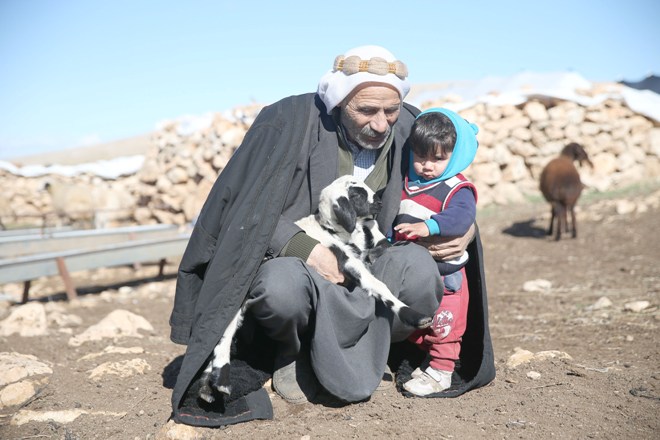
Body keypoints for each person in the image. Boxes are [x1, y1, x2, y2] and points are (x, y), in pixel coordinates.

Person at [169, 45, 494, 427]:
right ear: (339, 102)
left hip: (375, 263)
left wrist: (467, 228)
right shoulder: (289, 122)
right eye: (367, 111)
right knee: (280, 289)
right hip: (304, 264)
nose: (381, 124)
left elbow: (445, 187)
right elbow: (248, 209)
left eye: (389, 110)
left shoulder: (408, 126)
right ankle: (291, 353)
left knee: (420, 271)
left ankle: (376, 350)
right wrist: (309, 250)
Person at [390, 108, 479, 396]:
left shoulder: (456, 188)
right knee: (421, 322)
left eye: (438, 159)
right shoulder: (407, 183)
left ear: (455, 155)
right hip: (415, 273)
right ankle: (427, 363)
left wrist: (429, 227)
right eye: (421, 157)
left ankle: (442, 372)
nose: (427, 166)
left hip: (447, 275)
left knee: (445, 324)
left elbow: (462, 218)